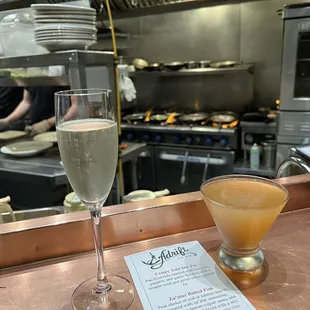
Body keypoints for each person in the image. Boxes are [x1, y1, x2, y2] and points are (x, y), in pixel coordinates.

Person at [0, 86, 69, 136]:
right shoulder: (33, 77)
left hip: (57, 131)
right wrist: (7, 120)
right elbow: (26, 102)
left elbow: (75, 107)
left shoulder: (60, 76)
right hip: (36, 130)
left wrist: (47, 123)